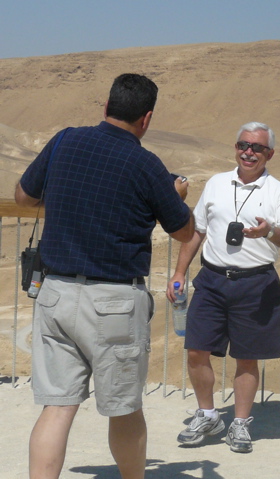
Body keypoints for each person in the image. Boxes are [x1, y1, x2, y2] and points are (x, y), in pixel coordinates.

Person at [15, 73, 194, 479]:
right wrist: (175, 197)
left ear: (106, 107)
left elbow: (23, 196)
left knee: (58, 407)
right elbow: (183, 230)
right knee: (124, 408)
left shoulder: (65, 140)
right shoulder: (146, 164)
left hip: (56, 292)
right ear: (146, 119)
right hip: (113, 302)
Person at [167, 121, 280, 453]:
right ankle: (209, 414)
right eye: (243, 145)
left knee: (247, 358)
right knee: (196, 350)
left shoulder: (279, 192)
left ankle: (240, 423)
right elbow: (196, 231)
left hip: (256, 283)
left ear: (270, 154)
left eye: (257, 148)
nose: (249, 152)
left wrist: (269, 231)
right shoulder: (215, 183)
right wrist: (179, 272)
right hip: (212, 280)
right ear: (236, 148)